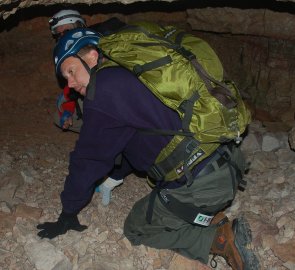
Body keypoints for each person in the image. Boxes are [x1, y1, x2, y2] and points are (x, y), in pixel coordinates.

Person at [37, 28, 259, 270]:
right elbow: (136, 139)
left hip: (200, 184)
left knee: (136, 228)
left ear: (91, 57)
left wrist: (68, 211)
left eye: (71, 71)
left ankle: (218, 239)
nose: (69, 84)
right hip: (228, 163)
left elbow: (88, 159)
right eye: (65, 77)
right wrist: (115, 178)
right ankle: (205, 215)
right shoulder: (131, 73)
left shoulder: (102, 91)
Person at [49, 9, 127, 204]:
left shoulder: (93, 45)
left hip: (115, 99)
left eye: (64, 30)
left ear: (78, 25)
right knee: (59, 112)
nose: (61, 36)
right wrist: (67, 112)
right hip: (90, 99)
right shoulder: (69, 54)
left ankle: (106, 140)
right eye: (57, 34)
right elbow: (69, 94)